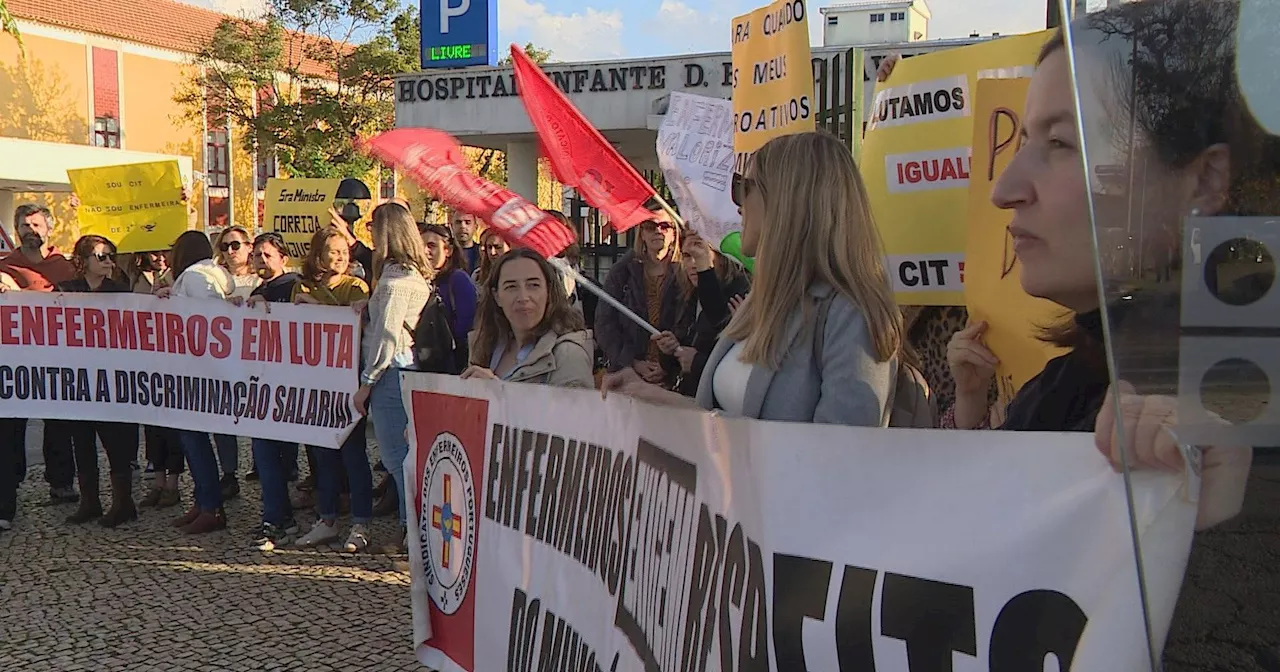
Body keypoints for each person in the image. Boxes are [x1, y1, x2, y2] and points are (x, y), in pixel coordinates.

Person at [934, 2, 1252, 534]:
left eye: (1061, 143)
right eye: (1022, 143)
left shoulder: (1225, 424)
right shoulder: (1072, 381)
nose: (1003, 190)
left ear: (1203, 180)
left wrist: (1215, 534)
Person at [605, 131, 902, 427]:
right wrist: (646, 395)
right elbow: (722, 422)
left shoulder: (850, 314)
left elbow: (841, 454)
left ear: (787, 200)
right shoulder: (762, 299)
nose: (736, 204)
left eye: (743, 187)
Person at [286, 228, 375, 553]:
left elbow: (355, 321)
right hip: (315, 386)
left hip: (348, 383)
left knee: (353, 456)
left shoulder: (356, 286)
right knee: (323, 456)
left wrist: (315, 306)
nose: (339, 258)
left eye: (343, 252)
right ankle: (327, 519)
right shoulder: (302, 286)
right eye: (332, 252)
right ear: (318, 256)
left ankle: (361, 522)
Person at [354, 203, 432, 545]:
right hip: (399, 369)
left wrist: (366, 384)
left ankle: (411, 529)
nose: (369, 231)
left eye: (374, 226)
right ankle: (409, 526)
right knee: (401, 456)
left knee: (397, 458)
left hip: (392, 372)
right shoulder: (403, 275)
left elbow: (388, 337)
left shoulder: (397, 280)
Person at [53, 236, 141, 527]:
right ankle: (89, 502)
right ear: (83, 260)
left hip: (111, 380)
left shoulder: (119, 291)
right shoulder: (66, 291)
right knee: (81, 440)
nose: (107, 261)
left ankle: (123, 503)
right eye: (100, 256)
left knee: (115, 440)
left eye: (110, 256)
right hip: (78, 379)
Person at [1, 204, 80, 505]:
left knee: (60, 423)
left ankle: (61, 482)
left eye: (35, 224)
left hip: (58, 359)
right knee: (12, 425)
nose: (30, 230)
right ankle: (11, 482)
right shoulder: (6, 266)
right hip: (16, 360)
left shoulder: (67, 265)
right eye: (23, 225)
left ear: (49, 228)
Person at [158, 230, 235, 534]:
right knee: (195, 438)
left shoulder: (192, 277)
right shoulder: (213, 275)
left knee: (194, 439)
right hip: (204, 369)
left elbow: (205, 320)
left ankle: (211, 505)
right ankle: (203, 500)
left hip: (197, 371)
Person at [462, 248, 595, 388]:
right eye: (511, 287)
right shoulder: (486, 343)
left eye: (533, 285)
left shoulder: (569, 354)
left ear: (548, 292)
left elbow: (573, 409)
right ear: (497, 297)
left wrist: (498, 394)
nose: (523, 297)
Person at [653, 230, 751, 396]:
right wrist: (669, 350)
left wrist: (698, 363)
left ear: (722, 257)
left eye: (700, 254)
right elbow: (673, 365)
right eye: (686, 256)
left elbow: (740, 366)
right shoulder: (683, 294)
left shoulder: (739, 294)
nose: (692, 264)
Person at [595, 211, 686, 386]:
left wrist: (667, 365)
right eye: (651, 227)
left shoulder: (686, 274)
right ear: (642, 234)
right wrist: (633, 363)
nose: (658, 231)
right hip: (628, 372)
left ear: (674, 234)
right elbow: (604, 324)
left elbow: (689, 324)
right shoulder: (621, 272)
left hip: (673, 376)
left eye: (665, 226)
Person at [420, 222, 478, 367]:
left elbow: (466, 326)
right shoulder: (418, 280)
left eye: (431, 246)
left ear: (448, 250)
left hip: (451, 366)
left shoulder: (458, 279)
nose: (425, 251)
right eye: (420, 246)